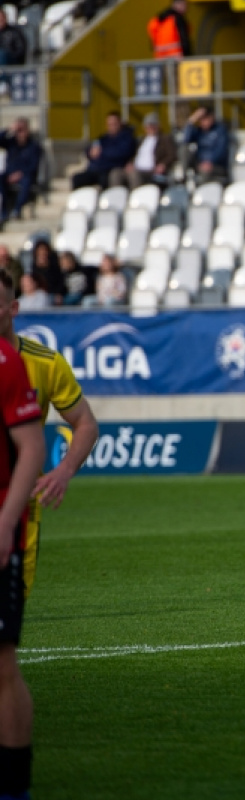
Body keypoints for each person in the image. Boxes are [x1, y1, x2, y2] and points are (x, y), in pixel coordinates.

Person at [0, 268, 99, 599]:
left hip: (18, 503)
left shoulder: (45, 364)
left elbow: (85, 423)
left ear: (13, 309)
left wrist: (64, 470)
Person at [0, 308, 44, 800]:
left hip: (3, 523)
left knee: (2, 663)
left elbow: (31, 447)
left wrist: (6, 523)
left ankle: (13, 788)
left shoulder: (10, 363)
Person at [71, 111, 138, 190]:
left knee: (105, 179)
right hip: (95, 169)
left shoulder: (126, 138)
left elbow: (122, 153)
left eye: (114, 124)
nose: (112, 126)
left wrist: (102, 152)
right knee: (77, 178)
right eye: (109, 124)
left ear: (120, 123)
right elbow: (90, 149)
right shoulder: (104, 138)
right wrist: (90, 152)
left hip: (111, 168)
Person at [109, 112, 177, 189]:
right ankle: (117, 197)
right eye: (148, 126)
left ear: (158, 126)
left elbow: (172, 154)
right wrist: (130, 163)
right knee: (115, 173)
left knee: (134, 174)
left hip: (151, 170)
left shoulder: (165, 138)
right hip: (136, 168)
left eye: (152, 125)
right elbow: (135, 154)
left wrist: (163, 164)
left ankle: (135, 197)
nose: (150, 128)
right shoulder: (141, 139)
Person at [0, 118, 41, 222]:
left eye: (21, 130)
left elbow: (33, 166)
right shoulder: (11, 143)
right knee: (1, 178)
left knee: (27, 181)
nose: (19, 133)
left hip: (25, 175)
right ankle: (4, 212)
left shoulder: (34, 146)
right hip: (10, 174)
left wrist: (19, 174)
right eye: (17, 131)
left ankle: (17, 210)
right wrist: (8, 129)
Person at [183, 106, 230, 184]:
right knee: (183, 149)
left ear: (211, 117)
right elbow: (186, 139)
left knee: (204, 174)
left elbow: (221, 150)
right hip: (200, 163)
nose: (202, 122)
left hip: (216, 165)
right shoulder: (199, 131)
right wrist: (192, 119)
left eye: (204, 118)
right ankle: (183, 176)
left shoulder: (220, 130)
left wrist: (210, 162)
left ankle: (201, 193)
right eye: (200, 119)